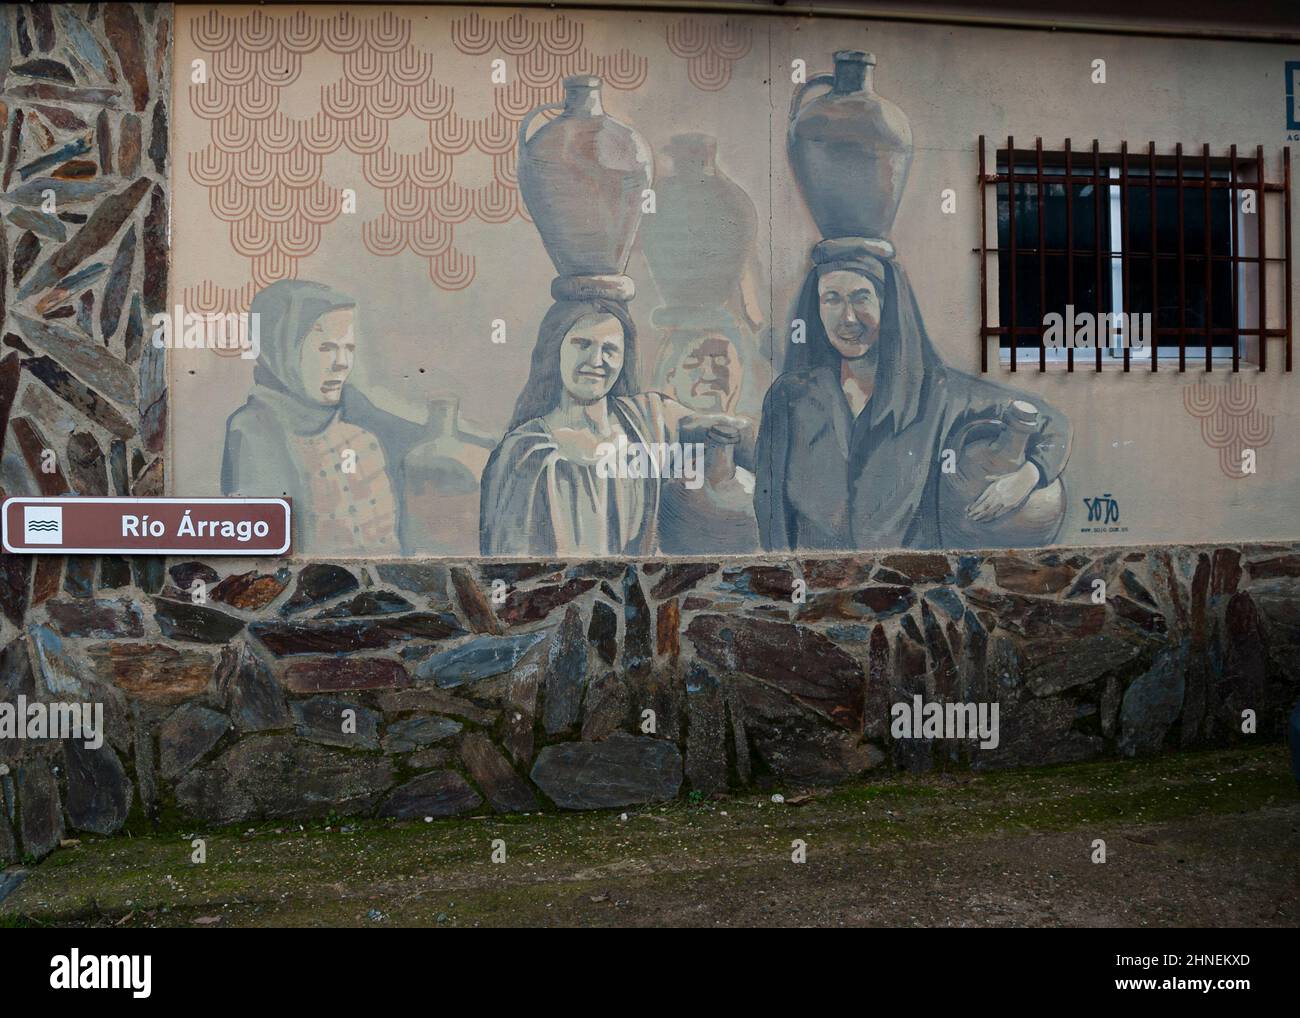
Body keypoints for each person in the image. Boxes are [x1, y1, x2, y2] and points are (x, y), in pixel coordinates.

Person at [755, 240, 1072, 551]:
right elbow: (769, 499)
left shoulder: (941, 393)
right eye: (832, 299)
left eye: (861, 298)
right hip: (811, 586)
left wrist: (1028, 476)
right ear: (818, 308)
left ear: (887, 305)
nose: (847, 317)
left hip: (904, 589)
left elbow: (1051, 421)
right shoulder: (789, 396)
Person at [480, 298, 750, 556]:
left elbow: (734, 430)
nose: (596, 361)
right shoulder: (524, 451)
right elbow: (509, 564)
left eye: (609, 349)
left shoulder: (647, 418)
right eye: (582, 344)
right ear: (555, 351)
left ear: (623, 359)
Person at [221, 279, 426, 554]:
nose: (342, 363)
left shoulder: (358, 413)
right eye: (327, 348)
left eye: (348, 349)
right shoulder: (254, 430)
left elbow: (417, 441)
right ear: (283, 350)